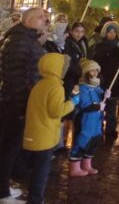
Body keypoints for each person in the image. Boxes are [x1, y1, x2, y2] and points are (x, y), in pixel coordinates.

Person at [0, 7, 46, 201]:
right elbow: (17, 78)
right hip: (16, 105)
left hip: (17, 102)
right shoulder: (20, 41)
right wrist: (23, 107)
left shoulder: (25, 39)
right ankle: (2, 193)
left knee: (10, 147)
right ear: (28, 21)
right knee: (8, 148)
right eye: (41, 17)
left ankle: (4, 185)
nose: (45, 20)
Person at [23, 53, 80, 204]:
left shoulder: (40, 84)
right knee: (41, 172)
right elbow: (56, 111)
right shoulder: (56, 87)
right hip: (45, 136)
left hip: (35, 133)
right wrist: (73, 102)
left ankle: (32, 197)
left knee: (35, 170)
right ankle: (36, 200)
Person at [69, 59, 109, 177]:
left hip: (96, 120)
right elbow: (83, 103)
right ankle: (75, 166)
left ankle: (87, 164)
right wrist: (97, 106)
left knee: (94, 140)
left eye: (96, 70)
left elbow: (102, 98)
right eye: (92, 71)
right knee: (82, 140)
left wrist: (105, 95)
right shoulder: (82, 88)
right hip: (86, 119)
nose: (95, 73)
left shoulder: (97, 87)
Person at [91, 21, 119, 140]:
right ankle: (98, 129)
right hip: (103, 80)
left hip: (114, 81)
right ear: (105, 33)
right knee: (101, 107)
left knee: (112, 108)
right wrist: (108, 52)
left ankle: (110, 130)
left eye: (114, 32)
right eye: (109, 31)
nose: (112, 34)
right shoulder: (100, 46)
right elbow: (96, 58)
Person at [63, 22, 88, 99]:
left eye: (81, 31)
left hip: (80, 77)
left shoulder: (83, 43)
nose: (79, 34)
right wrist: (80, 72)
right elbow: (69, 61)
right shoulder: (67, 43)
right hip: (70, 77)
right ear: (71, 31)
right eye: (77, 31)